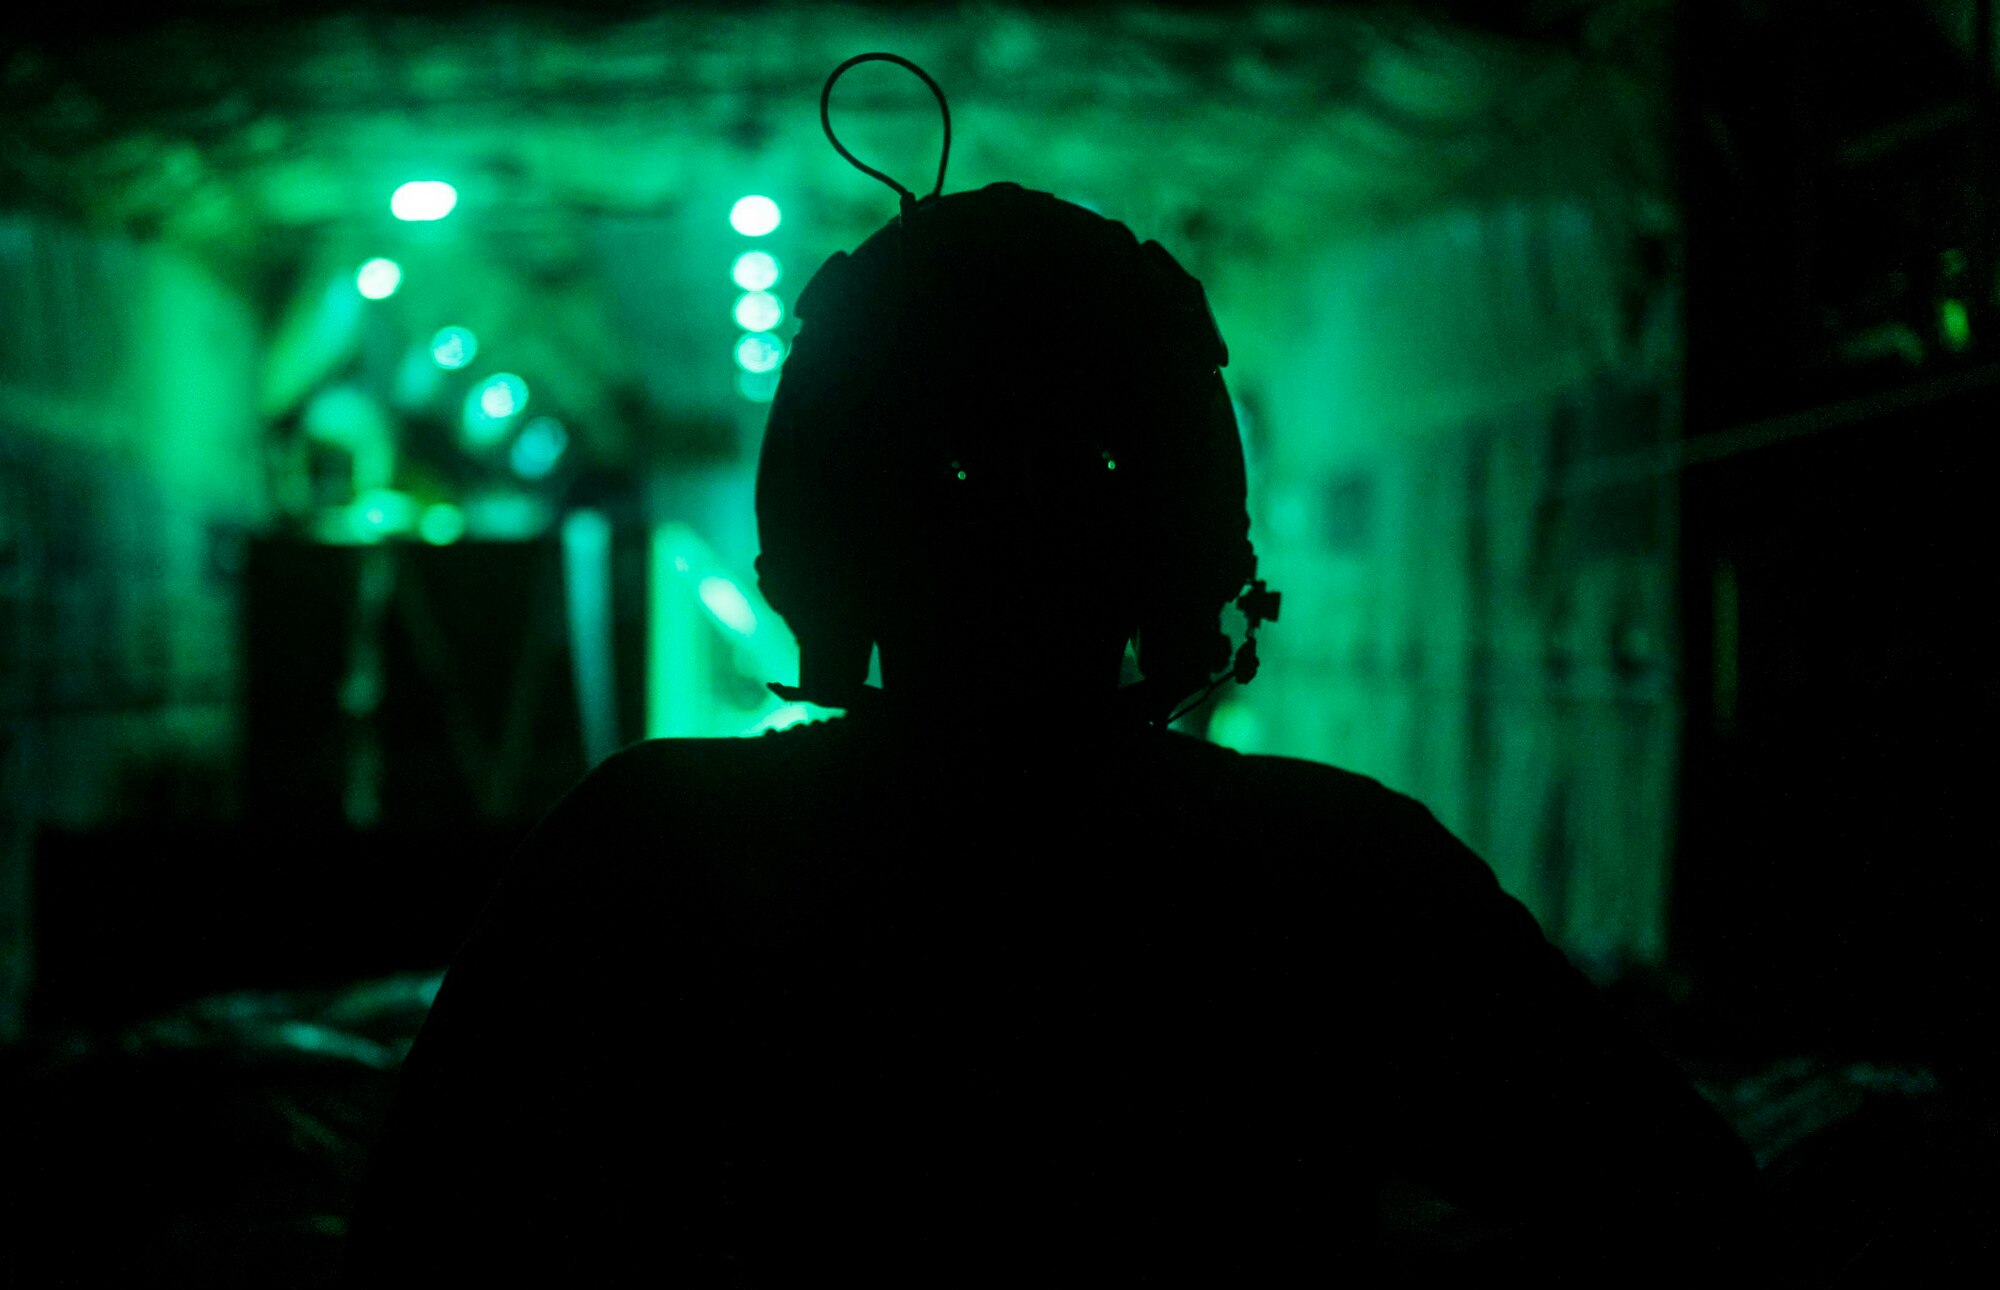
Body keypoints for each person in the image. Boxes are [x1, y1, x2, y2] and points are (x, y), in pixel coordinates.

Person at [344, 179, 1755, 1286]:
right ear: (1187, 530)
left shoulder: (646, 850)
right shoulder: (1333, 871)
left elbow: (422, 1250)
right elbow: (1681, 1209)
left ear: (820, 534)